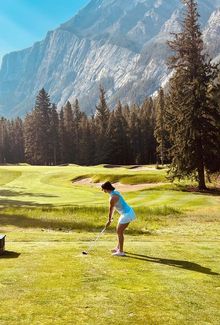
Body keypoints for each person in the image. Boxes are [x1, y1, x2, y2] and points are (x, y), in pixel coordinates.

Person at [101, 181, 136, 256]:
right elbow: (113, 208)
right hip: (126, 213)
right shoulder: (114, 192)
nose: (103, 190)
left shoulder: (112, 198)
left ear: (106, 189)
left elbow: (111, 209)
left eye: (103, 189)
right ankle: (118, 248)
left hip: (127, 214)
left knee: (119, 232)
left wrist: (109, 220)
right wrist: (111, 219)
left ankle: (121, 251)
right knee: (119, 231)